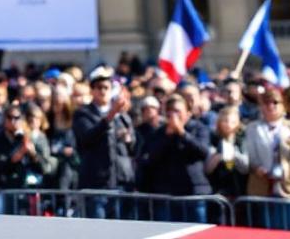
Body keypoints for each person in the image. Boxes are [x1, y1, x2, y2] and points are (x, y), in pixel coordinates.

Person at [73, 67, 136, 219]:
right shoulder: (83, 114)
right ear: (92, 90)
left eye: (106, 87)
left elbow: (133, 146)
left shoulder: (122, 116)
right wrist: (110, 115)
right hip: (97, 184)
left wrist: (128, 139)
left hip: (120, 182)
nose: (103, 91)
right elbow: (86, 138)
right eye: (99, 87)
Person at [139, 95, 211, 223]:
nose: (173, 115)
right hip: (167, 194)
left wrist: (182, 133)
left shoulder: (199, 128)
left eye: (177, 111)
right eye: (170, 111)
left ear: (188, 113)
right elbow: (151, 158)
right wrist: (167, 137)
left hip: (193, 192)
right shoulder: (159, 133)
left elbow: (203, 152)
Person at [244, 85, 290, 230]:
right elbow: (249, 156)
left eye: (275, 102)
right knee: (270, 231)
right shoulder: (252, 128)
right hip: (263, 186)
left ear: (282, 105)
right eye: (266, 103)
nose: (270, 106)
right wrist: (256, 167)